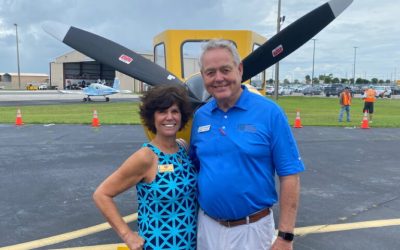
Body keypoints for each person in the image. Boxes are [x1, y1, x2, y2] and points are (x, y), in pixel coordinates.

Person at [190, 39, 305, 250]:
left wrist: (285, 236)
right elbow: (197, 168)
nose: (219, 78)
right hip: (207, 227)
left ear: (239, 69)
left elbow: (289, 174)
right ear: (203, 75)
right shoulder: (200, 117)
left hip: (252, 230)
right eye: (210, 72)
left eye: (225, 69)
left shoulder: (270, 113)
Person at [93, 85, 197, 250]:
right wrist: (127, 235)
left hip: (190, 244)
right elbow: (102, 194)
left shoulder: (183, 148)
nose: (169, 117)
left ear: (182, 115)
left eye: (174, 111)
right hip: (159, 245)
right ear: (152, 117)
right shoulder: (146, 157)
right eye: (162, 112)